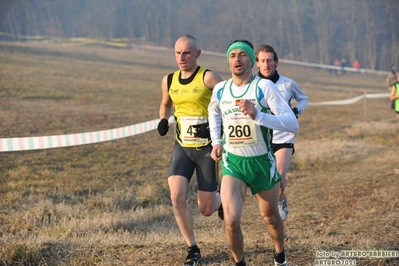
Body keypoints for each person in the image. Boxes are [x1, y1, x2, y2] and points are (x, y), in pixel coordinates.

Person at [208, 39, 298, 266]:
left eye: (242, 55)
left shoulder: (264, 87)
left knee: (271, 217)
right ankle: (240, 263)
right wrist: (216, 141)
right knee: (231, 219)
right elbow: (213, 111)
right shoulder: (221, 89)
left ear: (251, 60)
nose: (237, 59)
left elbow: (291, 123)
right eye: (232, 55)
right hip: (233, 163)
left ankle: (280, 255)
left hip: (261, 164)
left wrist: (258, 115)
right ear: (228, 61)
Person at [157, 34, 224, 266]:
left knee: (206, 209)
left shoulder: (208, 77)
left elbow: (230, 99)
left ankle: (221, 199)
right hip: (182, 148)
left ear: (197, 53)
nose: (182, 57)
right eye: (177, 53)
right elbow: (166, 103)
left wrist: (217, 127)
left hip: (206, 150)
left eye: (187, 53)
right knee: (176, 196)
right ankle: (192, 248)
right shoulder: (169, 80)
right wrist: (163, 119)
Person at [255, 44, 308, 221]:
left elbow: (303, 98)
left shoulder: (287, 83)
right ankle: (276, 199)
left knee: (278, 174)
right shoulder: (253, 85)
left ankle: (280, 201)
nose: (266, 64)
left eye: (269, 60)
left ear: (276, 62)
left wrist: (297, 110)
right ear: (257, 64)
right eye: (262, 61)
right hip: (262, 136)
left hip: (283, 136)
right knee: (266, 177)